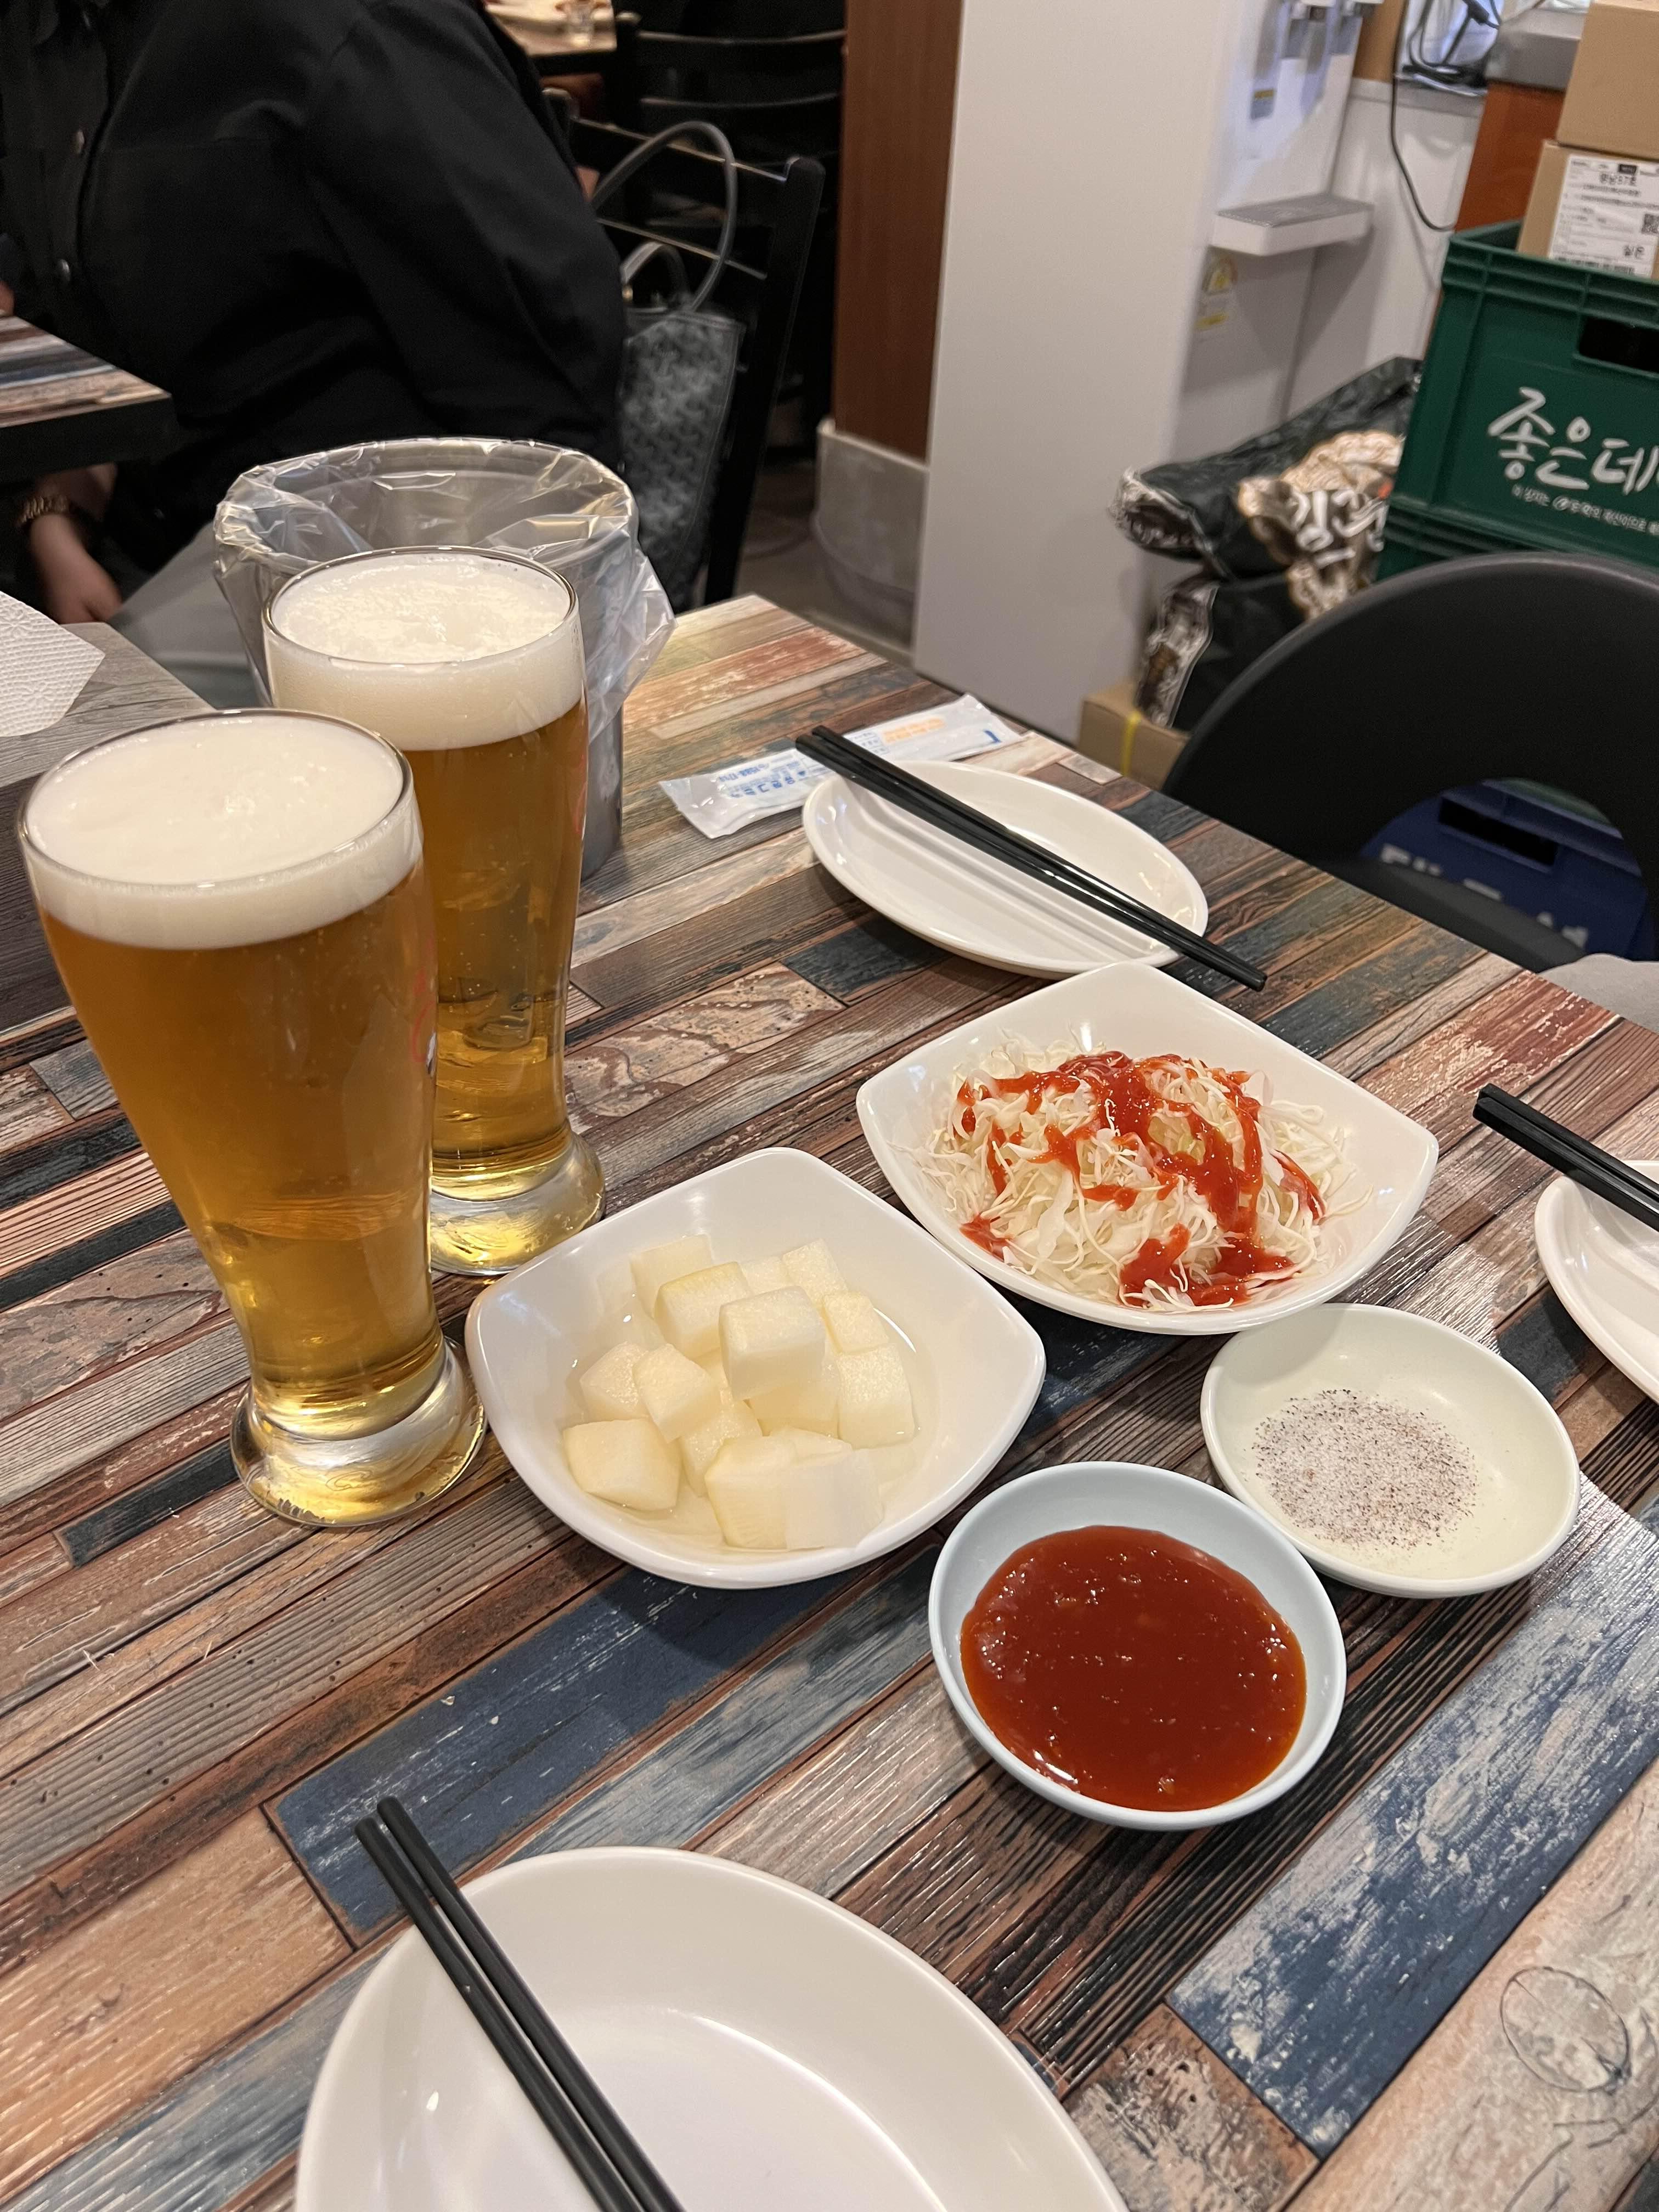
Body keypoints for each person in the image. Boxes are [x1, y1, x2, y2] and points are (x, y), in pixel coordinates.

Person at [0, 0, 624, 626]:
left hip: (370, 560)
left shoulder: (337, 24)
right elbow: (74, 330)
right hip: (139, 536)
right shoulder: (41, 32)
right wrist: (55, 516)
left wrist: (487, 619)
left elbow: (550, 367)